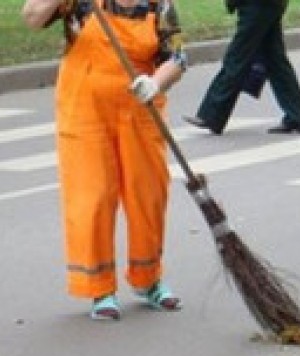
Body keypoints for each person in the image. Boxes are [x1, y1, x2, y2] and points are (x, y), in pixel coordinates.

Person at [22, 0, 187, 320]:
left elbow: (177, 57)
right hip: (85, 111)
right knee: (92, 196)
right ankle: (99, 287)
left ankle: (149, 279)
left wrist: (155, 83)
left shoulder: (159, 5)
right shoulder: (79, 4)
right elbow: (32, 17)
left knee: (149, 195)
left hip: (141, 109)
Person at [183, 0, 300, 135]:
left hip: (257, 5)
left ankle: (212, 115)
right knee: (275, 61)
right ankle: (297, 117)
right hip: (267, 4)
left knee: (237, 58)